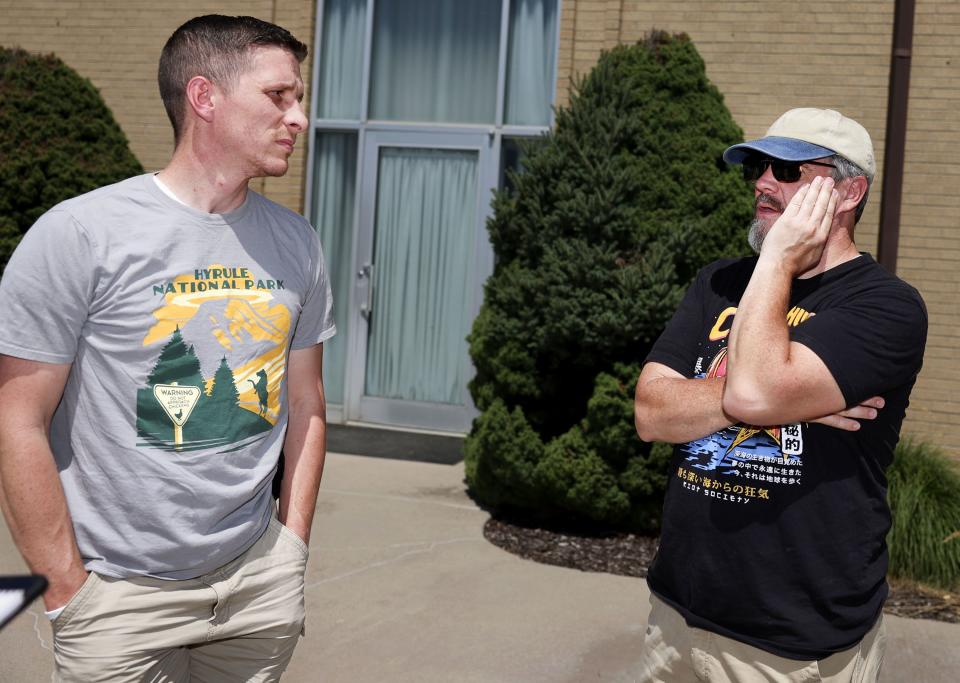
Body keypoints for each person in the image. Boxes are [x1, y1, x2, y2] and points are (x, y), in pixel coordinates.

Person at [0, 14, 334, 681]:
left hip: (255, 585)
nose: (298, 118)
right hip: (119, 597)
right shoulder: (79, 235)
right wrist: (67, 588)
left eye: (298, 99)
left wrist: (290, 545)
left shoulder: (297, 243)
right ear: (204, 98)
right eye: (278, 96)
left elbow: (307, 403)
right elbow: (16, 417)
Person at [633, 108, 927, 682]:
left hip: (792, 641)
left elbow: (756, 393)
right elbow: (650, 412)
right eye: (760, 166)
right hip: (675, 616)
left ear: (849, 191)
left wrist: (777, 261)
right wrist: (770, 402)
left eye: (788, 170)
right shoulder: (718, 282)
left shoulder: (886, 306)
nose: (763, 182)